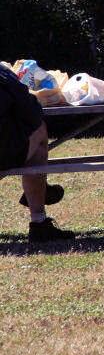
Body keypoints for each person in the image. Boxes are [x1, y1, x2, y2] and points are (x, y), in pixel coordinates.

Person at [0, 65, 74, 242]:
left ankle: (40, 190)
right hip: (4, 153)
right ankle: (39, 221)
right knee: (39, 129)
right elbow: (31, 110)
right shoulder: (3, 74)